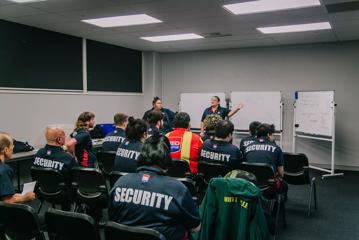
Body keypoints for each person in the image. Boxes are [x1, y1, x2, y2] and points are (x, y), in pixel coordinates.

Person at [109, 134, 200, 240]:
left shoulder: (120, 182)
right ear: (167, 158)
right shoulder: (177, 189)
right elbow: (196, 228)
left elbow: (113, 218)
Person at [0, 132, 35, 203]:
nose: (13, 147)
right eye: (12, 145)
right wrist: (24, 198)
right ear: (6, 150)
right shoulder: (4, 170)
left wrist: (17, 196)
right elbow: (6, 201)